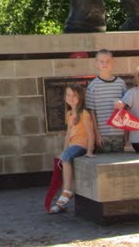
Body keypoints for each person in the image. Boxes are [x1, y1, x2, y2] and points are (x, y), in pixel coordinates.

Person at [49, 84, 94, 213]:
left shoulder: (84, 113)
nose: (71, 98)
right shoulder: (69, 113)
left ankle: (68, 191)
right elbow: (68, 134)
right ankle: (62, 203)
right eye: (68, 95)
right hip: (72, 145)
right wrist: (64, 150)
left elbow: (90, 133)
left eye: (74, 95)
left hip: (82, 145)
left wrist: (90, 151)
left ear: (80, 97)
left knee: (66, 158)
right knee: (64, 160)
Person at [86, 49, 126, 153]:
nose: (105, 64)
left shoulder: (121, 84)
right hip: (103, 135)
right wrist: (97, 135)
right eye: (101, 61)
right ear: (96, 63)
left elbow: (126, 110)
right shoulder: (92, 86)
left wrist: (126, 133)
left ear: (113, 62)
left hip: (119, 133)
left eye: (108, 61)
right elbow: (92, 113)